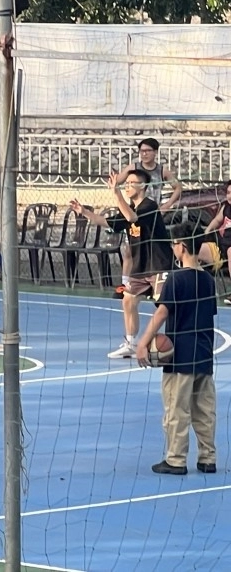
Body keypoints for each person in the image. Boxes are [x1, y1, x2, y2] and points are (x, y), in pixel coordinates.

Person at [69, 170, 171, 359]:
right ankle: (131, 344)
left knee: (166, 306)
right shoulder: (128, 208)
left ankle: (176, 340)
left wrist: (115, 193)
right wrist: (84, 212)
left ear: (143, 186)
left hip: (159, 265)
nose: (127, 186)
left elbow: (132, 218)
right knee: (128, 300)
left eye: (132, 182)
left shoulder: (149, 206)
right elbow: (105, 221)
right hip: (141, 268)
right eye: (127, 183)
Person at [136, 240, 216, 475]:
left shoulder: (175, 279)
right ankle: (208, 458)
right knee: (205, 411)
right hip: (204, 354)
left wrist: (142, 343)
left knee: (176, 409)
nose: (172, 248)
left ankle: (176, 459)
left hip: (180, 356)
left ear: (182, 246)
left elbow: (162, 312)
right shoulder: (209, 280)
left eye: (173, 244)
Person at [114, 137, 182, 213]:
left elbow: (178, 187)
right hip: (136, 212)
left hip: (155, 212)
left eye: (148, 151)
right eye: (142, 151)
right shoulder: (133, 168)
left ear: (155, 152)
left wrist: (168, 205)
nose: (144, 154)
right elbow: (116, 182)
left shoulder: (162, 171)